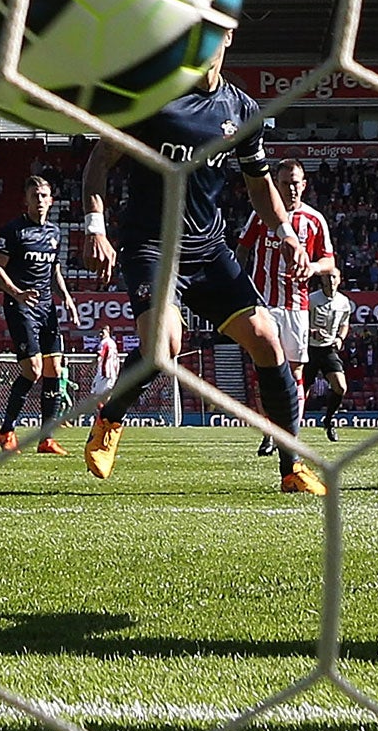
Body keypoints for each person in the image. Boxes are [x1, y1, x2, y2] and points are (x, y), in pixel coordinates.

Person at [80, 42, 324, 494]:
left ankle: (292, 468)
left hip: (208, 250)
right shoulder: (152, 95)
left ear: (230, 37)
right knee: (163, 346)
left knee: (268, 342)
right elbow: (100, 159)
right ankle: (109, 420)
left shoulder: (241, 109)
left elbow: (260, 186)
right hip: (151, 244)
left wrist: (286, 233)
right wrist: (96, 225)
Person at [237, 159, 335, 456]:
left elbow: (329, 262)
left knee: (294, 373)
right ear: (275, 185)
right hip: (263, 304)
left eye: (296, 182)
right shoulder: (260, 216)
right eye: (285, 183)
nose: (291, 188)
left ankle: (288, 434)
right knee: (264, 372)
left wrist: (314, 267)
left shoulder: (315, 220)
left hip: (296, 307)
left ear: (304, 184)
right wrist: (237, 285)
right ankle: (270, 429)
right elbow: (242, 249)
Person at [0, 174, 80, 455]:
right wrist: (17, 292)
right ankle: (6, 431)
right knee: (34, 371)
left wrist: (66, 297)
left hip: (46, 308)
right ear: (25, 200)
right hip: (21, 306)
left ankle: (46, 439)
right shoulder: (13, 231)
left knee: (55, 369)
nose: (39, 200)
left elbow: (54, 270)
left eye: (43, 196)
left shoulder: (54, 232)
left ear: (51, 201)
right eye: (34, 196)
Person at [304, 268, 352, 442]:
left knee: (340, 387)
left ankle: (329, 420)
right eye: (327, 277)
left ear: (339, 279)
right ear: (322, 280)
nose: (331, 280)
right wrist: (311, 331)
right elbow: (299, 320)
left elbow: (344, 324)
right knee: (302, 391)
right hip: (309, 348)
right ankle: (290, 427)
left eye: (334, 277)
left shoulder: (343, 302)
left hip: (328, 349)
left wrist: (340, 338)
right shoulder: (311, 299)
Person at [89, 324, 122, 408]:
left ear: (108, 331)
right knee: (106, 396)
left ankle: (103, 416)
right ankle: (107, 415)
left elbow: (100, 354)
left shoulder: (105, 342)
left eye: (102, 332)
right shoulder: (113, 343)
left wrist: (93, 363)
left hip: (105, 373)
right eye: (99, 332)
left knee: (94, 396)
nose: (100, 334)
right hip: (112, 373)